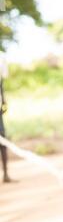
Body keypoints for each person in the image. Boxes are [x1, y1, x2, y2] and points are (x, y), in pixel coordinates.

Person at [0, 52, 11, 182]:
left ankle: (6, 174)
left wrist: (3, 100)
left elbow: (1, 82)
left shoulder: (1, 57)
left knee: (3, 139)